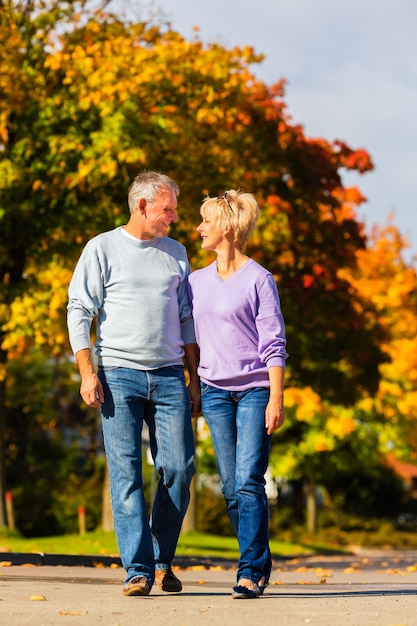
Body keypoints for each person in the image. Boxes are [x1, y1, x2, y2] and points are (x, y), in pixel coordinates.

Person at [67, 171, 200, 597]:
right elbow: (79, 310)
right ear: (141, 206)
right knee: (126, 474)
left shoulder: (176, 252)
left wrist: (194, 378)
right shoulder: (102, 247)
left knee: (179, 469)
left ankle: (162, 560)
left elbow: (187, 319)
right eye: (168, 209)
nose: (174, 217)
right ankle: (139, 570)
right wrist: (87, 372)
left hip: (168, 375)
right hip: (118, 375)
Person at [187, 190, 288, 599]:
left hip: (254, 391)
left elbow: (274, 342)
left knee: (248, 480)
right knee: (230, 486)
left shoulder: (259, 279)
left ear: (226, 226)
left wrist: (276, 397)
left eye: (206, 221)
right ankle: (259, 558)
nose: (199, 227)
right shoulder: (195, 281)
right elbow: (188, 340)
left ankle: (249, 570)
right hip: (213, 391)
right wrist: (193, 386)